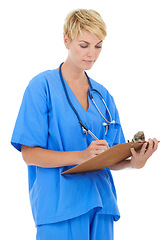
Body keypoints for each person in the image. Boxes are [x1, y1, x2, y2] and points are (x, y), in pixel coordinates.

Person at [11, 9, 158, 240]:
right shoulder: (42, 87)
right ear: (66, 40)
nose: (92, 54)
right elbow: (29, 154)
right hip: (59, 208)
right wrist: (81, 155)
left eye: (98, 46)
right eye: (84, 45)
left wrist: (134, 163)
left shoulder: (103, 96)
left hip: (101, 205)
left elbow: (110, 158)